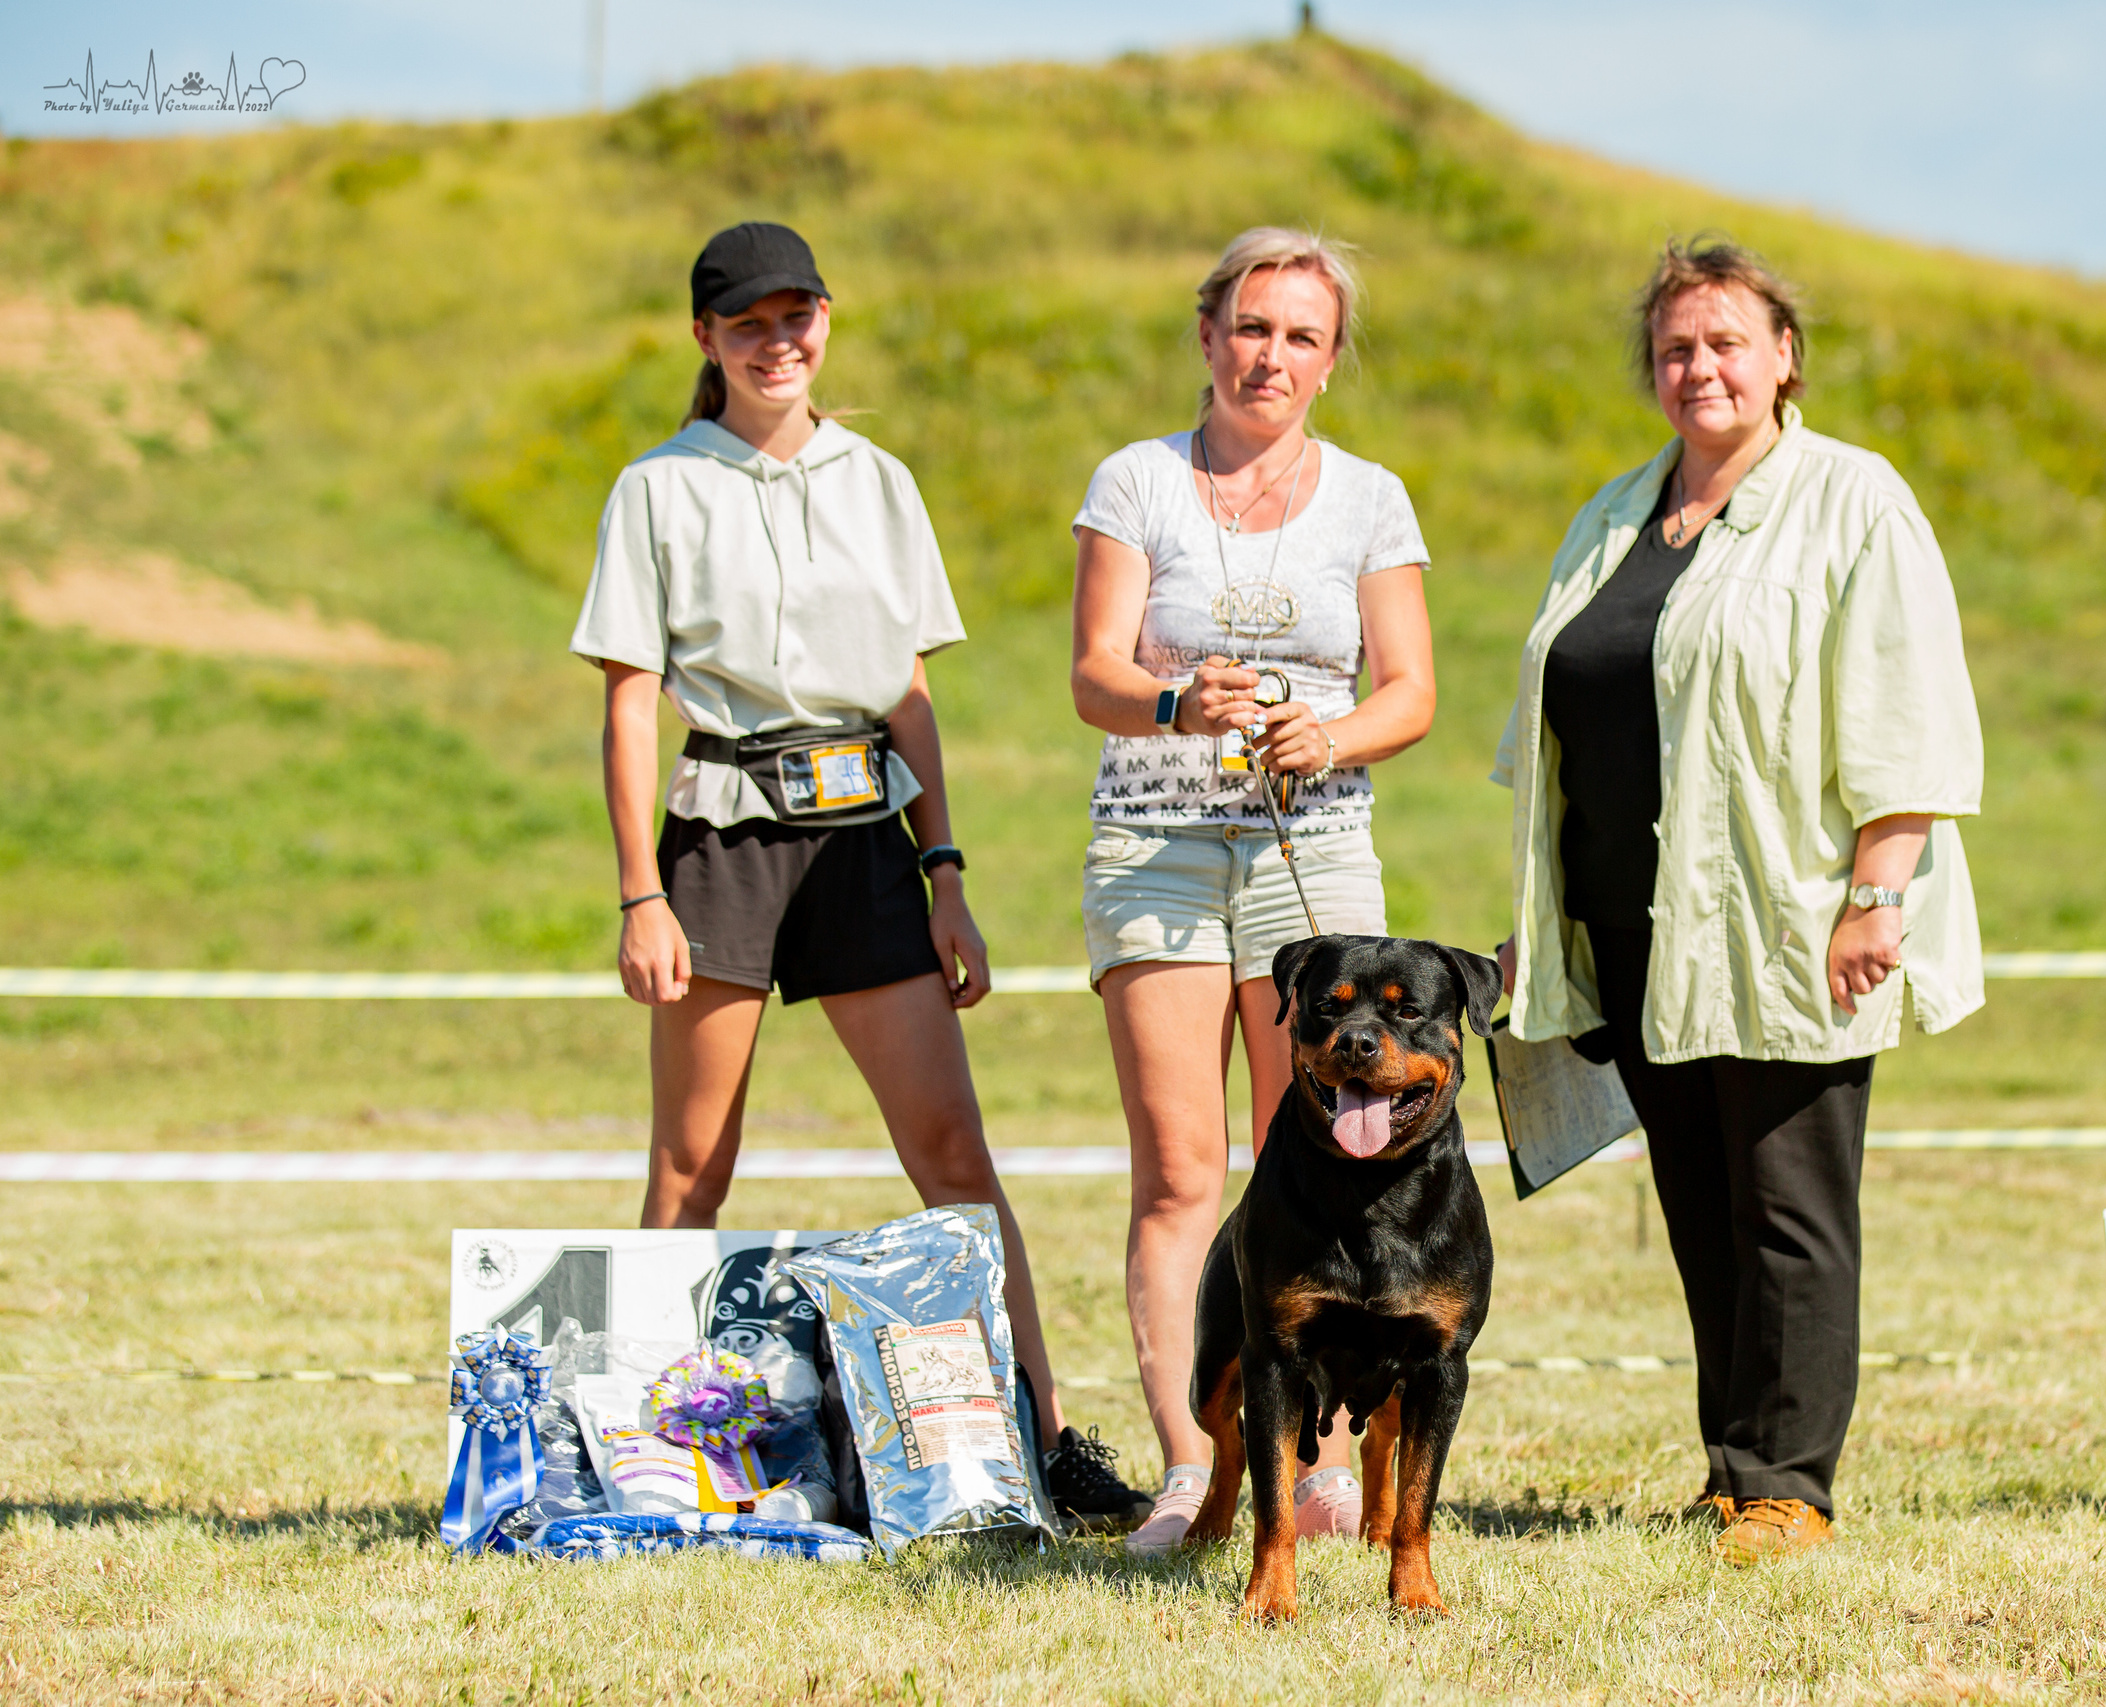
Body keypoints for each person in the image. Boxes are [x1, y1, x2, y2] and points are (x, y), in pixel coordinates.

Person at [571, 220, 1150, 1533]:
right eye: (748, 323)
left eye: (798, 316)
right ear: (706, 338)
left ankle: (1043, 1442)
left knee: (954, 1153)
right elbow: (629, 703)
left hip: (867, 845)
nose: (777, 342)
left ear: (827, 318)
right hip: (722, 841)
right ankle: (648, 1463)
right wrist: (640, 895)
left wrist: (947, 876)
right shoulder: (656, 488)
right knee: (691, 1164)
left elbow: (909, 692)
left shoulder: (881, 480)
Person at [1493, 238, 1984, 1565]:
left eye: (1725, 342)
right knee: (1702, 1205)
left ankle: (1789, 1484)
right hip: (1635, 925)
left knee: (1788, 1206)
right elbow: (1561, 721)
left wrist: (1878, 894)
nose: (1698, 367)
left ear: (1783, 358)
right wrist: (1544, 914)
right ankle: (1731, 1465)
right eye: (1675, 348)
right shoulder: (1614, 515)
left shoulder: (1854, 500)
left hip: (1787, 916)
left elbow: (1908, 715)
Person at [1067, 227, 1438, 1554]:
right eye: (1251, 327)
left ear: (1330, 361)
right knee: (1182, 1171)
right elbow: (1094, 675)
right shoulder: (1136, 482)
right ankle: (1194, 1459)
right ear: (1209, 336)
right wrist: (1177, 702)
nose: (1270, 355)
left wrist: (1327, 737)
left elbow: (1411, 692)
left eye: (1301, 336)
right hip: (1157, 848)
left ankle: (1316, 1460)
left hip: (1311, 852)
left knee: (1328, 1157)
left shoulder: (1372, 499)